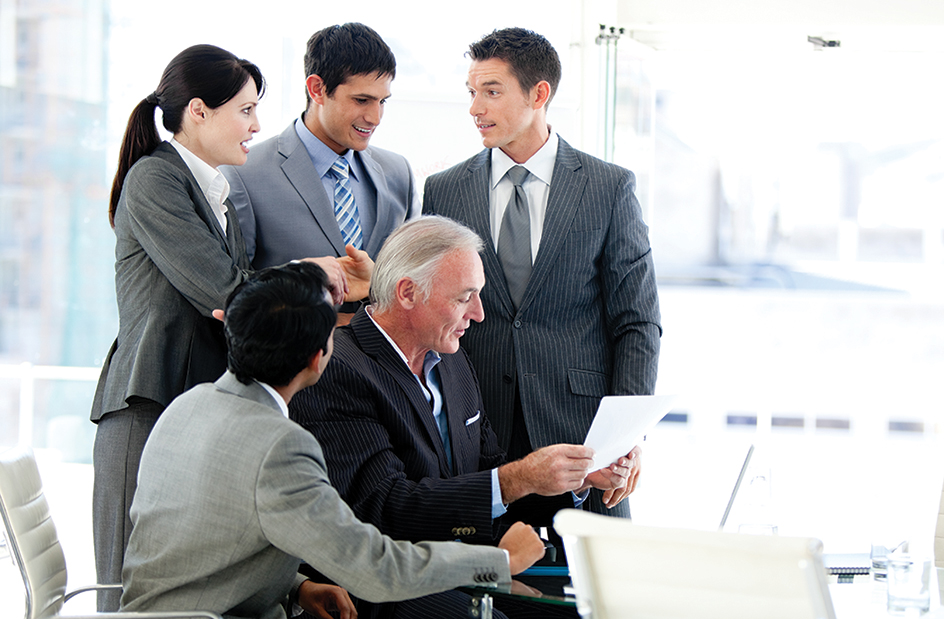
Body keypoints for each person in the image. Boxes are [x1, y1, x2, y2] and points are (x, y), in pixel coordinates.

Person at [120, 261, 545, 619]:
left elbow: (208, 541)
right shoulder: (280, 445)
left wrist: (296, 585)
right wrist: (498, 563)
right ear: (316, 358)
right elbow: (376, 568)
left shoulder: (187, 404)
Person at [88, 44, 353, 611]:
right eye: (246, 110)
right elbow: (226, 292)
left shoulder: (223, 190)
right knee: (124, 597)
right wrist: (315, 273)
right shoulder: (154, 181)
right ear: (199, 112)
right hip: (147, 401)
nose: (257, 126)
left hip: (192, 408)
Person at [291, 216, 635, 618]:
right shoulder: (339, 367)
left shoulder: (451, 363)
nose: (479, 313)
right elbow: (382, 509)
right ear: (407, 293)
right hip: (384, 588)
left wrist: (574, 479)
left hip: (468, 572)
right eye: (464, 297)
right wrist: (517, 479)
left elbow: (488, 475)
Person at [423, 28, 661, 519]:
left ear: (539, 94)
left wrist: (623, 438)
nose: (475, 108)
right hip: (476, 442)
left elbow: (637, 323)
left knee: (587, 591)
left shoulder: (607, 187)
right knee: (483, 590)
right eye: (472, 93)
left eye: (491, 91)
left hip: (583, 443)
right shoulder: (443, 191)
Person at [223, 22, 419, 323]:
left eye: (382, 102)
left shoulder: (398, 171)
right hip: (292, 361)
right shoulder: (245, 174)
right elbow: (236, 292)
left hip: (382, 364)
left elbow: (414, 277)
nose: (375, 117)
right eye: (362, 100)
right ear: (317, 89)